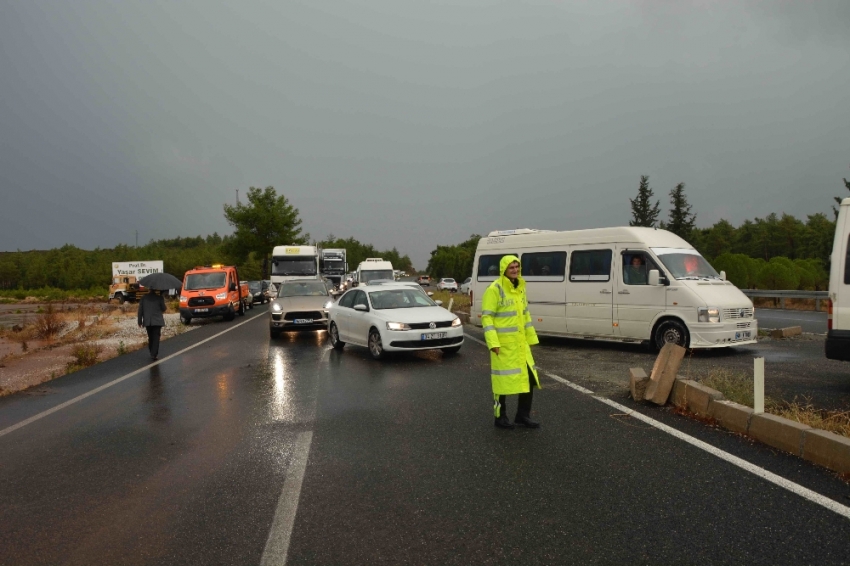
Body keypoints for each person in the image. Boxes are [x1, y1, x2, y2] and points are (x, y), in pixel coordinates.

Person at [481, 255, 541, 429]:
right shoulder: (495, 289)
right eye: (511, 267)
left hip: (520, 345)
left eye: (517, 267)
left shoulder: (520, 288)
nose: (515, 270)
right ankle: (500, 417)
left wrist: (530, 339)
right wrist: (493, 343)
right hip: (503, 346)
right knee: (501, 383)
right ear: (504, 269)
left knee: (528, 379)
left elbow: (525, 315)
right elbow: (487, 318)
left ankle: (522, 416)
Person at [138, 289, 166, 360]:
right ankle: (154, 354)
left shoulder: (143, 298)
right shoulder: (159, 298)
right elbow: (164, 308)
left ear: (149, 290)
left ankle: (152, 352)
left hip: (148, 321)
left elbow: (140, 310)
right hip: (157, 321)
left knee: (150, 337)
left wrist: (139, 321)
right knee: (156, 337)